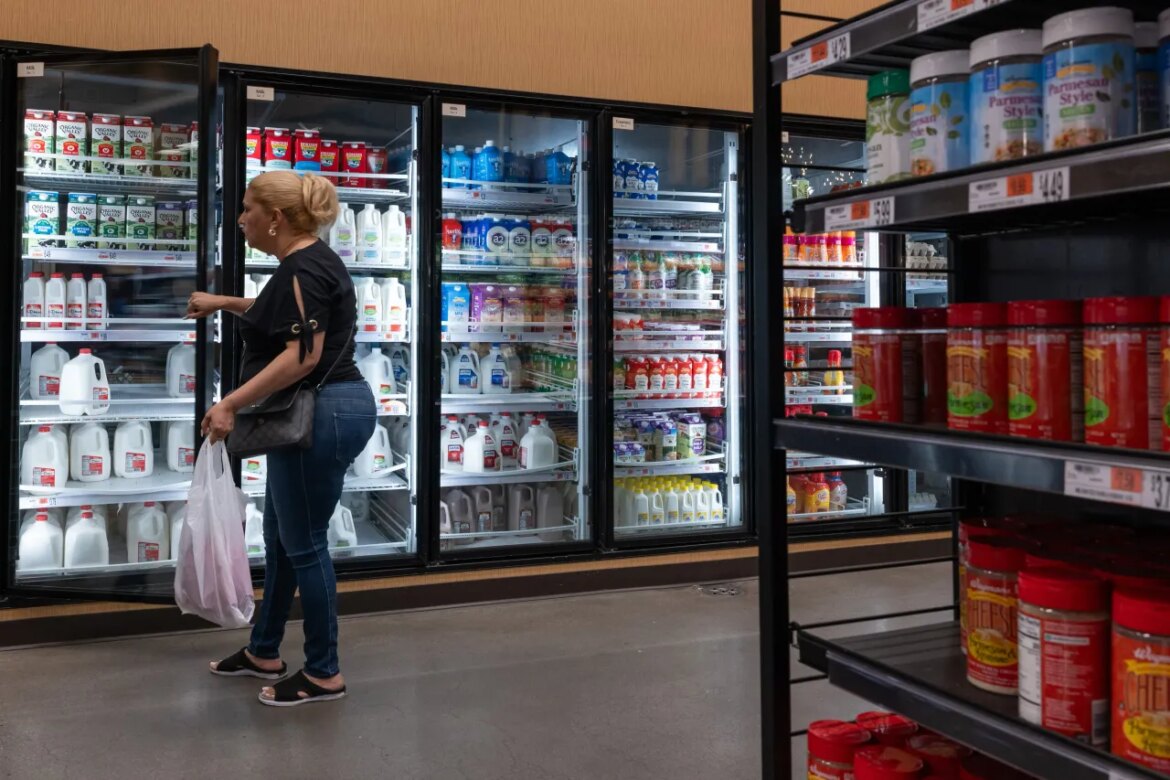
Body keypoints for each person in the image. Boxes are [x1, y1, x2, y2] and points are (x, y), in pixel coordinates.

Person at [186, 171, 376, 707]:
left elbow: (304, 355)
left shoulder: (304, 267)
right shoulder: (302, 264)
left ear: (276, 218)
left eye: (247, 209)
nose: (240, 218)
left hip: (321, 412)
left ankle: (324, 673)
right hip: (323, 411)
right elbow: (283, 316)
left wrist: (230, 404)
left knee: (306, 545)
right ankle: (263, 650)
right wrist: (224, 302)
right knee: (283, 537)